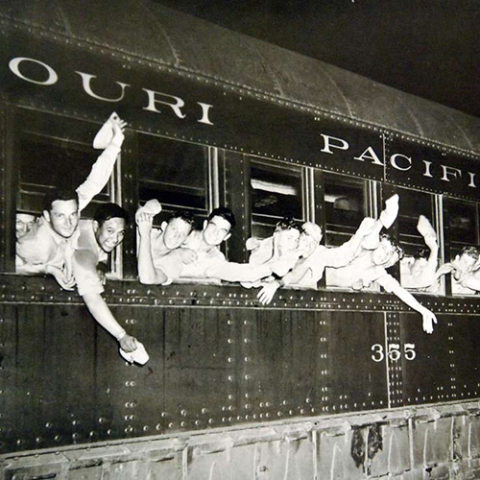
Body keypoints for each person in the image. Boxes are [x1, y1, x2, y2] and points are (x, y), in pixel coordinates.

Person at [16, 115, 127, 289]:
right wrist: (48, 270)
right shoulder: (35, 244)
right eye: (60, 216)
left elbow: (94, 182)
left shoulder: (70, 211)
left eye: (73, 214)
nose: (69, 223)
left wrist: (116, 143)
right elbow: (12, 266)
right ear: (47, 216)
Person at [326, 233, 437, 334]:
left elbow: (399, 290)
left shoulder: (378, 272)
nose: (384, 255)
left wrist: (423, 311)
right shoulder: (358, 250)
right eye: (383, 248)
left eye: (389, 254)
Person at [73, 203, 142, 357]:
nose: (116, 239)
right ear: (96, 225)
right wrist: (121, 335)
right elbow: (93, 299)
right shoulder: (84, 251)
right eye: (110, 231)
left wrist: (101, 268)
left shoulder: (92, 234)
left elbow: (102, 257)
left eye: (121, 233)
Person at [257, 216, 378, 304]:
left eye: (314, 243)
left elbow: (343, 256)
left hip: (305, 305)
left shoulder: (318, 252)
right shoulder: (283, 246)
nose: (309, 247)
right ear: (298, 237)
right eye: (305, 240)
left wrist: (360, 233)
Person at [136, 201, 195, 285]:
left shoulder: (175, 264)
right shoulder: (144, 228)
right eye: (174, 229)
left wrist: (145, 235)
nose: (176, 236)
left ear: (186, 240)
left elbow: (147, 279)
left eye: (182, 234)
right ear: (164, 226)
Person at [400, 215, 439, 291]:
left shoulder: (427, 283)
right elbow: (424, 279)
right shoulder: (402, 275)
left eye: (425, 268)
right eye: (420, 267)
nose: (423, 271)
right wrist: (434, 250)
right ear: (410, 263)